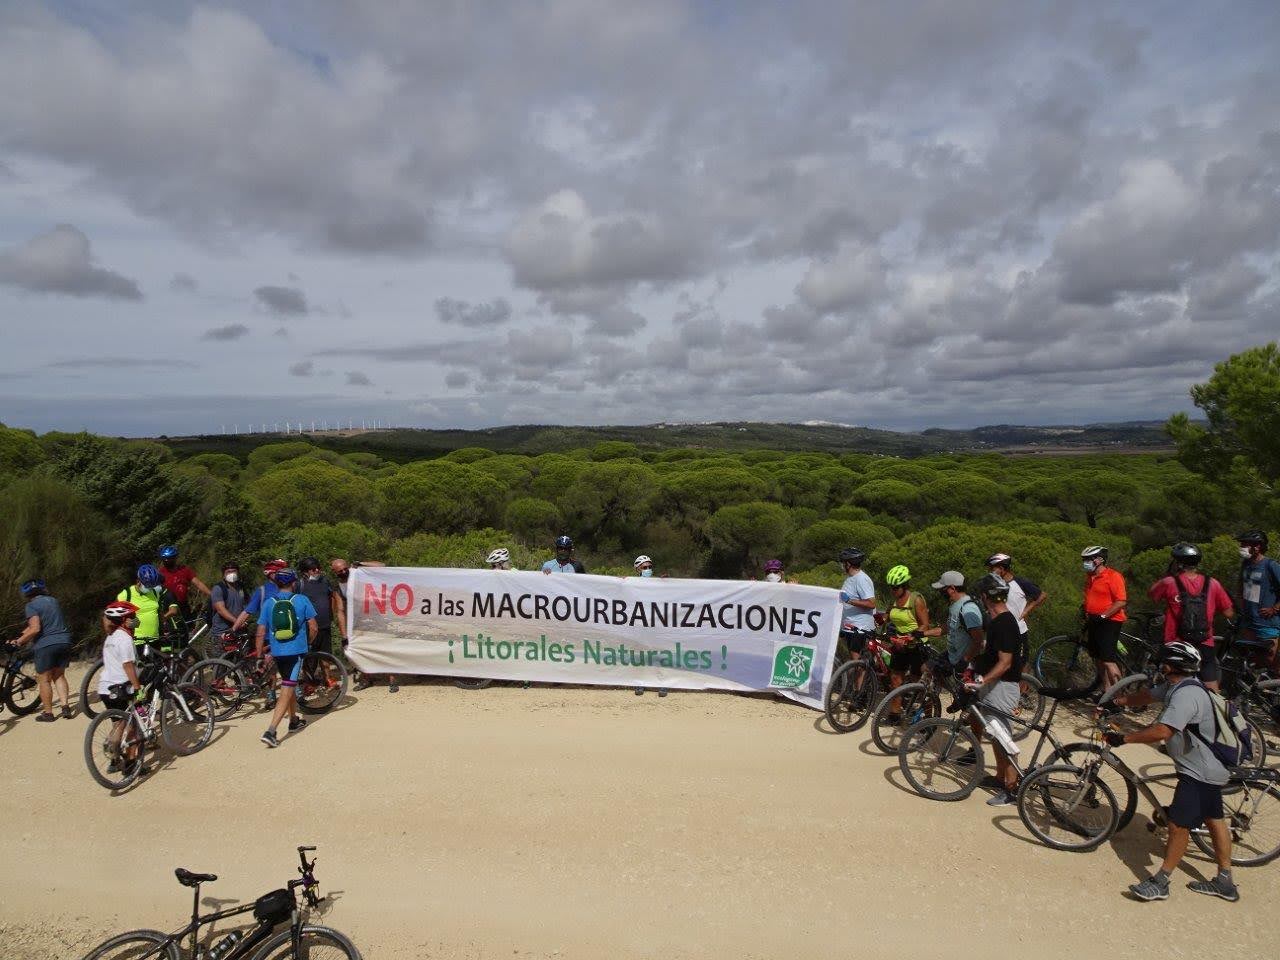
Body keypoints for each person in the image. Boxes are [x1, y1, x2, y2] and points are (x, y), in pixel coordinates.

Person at [1105, 641, 1238, 902]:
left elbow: (1164, 731)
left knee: (1178, 824)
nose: (1159, 665)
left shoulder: (1187, 696)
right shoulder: (1180, 685)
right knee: (1214, 819)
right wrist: (1118, 702)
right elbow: (1148, 695)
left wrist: (1125, 739)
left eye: (1163, 661)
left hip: (1199, 772)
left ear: (1171, 666)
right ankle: (1225, 882)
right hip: (1208, 767)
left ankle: (1161, 881)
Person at [965, 575, 1025, 806]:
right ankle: (1001, 778)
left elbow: (1005, 663)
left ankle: (1012, 788)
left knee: (1002, 738)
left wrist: (982, 680)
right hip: (994, 685)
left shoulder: (1006, 623)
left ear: (986, 597)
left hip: (1002, 686)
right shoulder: (998, 621)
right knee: (994, 733)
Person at [1148, 543, 1234, 691]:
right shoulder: (1213, 583)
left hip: (1176, 641)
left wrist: (1168, 574)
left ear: (1178, 563)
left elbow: (1152, 595)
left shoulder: (1169, 582)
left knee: (1174, 683)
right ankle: (1213, 708)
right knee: (1210, 681)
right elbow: (1228, 613)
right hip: (1205, 640)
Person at [256, 569, 318, 748]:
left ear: (276, 584)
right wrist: (307, 643)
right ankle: (271, 731)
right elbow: (313, 627)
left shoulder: (269, 603)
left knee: (287, 683)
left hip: (277, 652)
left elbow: (260, 631)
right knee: (287, 687)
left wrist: (260, 655)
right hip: (295, 651)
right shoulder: (301, 600)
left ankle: (293, 720)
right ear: (294, 583)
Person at [9, 578, 74, 721]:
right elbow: (41, 623)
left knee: (44, 679)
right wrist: (22, 635)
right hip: (64, 641)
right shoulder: (53, 601)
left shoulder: (31, 606)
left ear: (27, 593)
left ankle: (48, 713)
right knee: (59, 676)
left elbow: (36, 628)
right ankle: (65, 707)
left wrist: (19, 642)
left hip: (46, 644)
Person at [98, 600, 146, 776]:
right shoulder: (124, 639)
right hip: (121, 687)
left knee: (118, 724)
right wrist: (138, 687)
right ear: (124, 619)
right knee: (133, 726)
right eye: (132, 617)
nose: (135, 620)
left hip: (105, 687)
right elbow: (128, 666)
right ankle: (131, 764)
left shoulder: (110, 637)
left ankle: (113, 759)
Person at [882, 564, 932, 718]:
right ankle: (895, 714)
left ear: (904, 586)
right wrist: (878, 621)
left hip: (917, 644)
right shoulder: (895, 600)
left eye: (895, 587)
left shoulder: (916, 600)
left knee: (919, 683)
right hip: (899, 643)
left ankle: (928, 717)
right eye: (891, 587)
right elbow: (887, 616)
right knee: (895, 679)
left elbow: (925, 624)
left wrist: (911, 636)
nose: (893, 590)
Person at [1081, 545, 1127, 694]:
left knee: (1108, 660)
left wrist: (1103, 616)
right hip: (1093, 620)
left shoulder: (1113, 576)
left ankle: (1119, 697)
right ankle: (1107, 693)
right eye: (1084, 559)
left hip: (1110, 621)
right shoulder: (1090, 577)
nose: (1085, 562)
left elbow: (1121, 601)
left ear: (1099, 560)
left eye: (1088, 559)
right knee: (1098, 658)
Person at [1235, 530, 1280, 667]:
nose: (1241, 546)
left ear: (1257, 546)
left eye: (1244, 544)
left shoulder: (1270, 565)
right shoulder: (1245, 564)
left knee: (1271, 660)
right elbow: (1241, 587)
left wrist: (1275, 608)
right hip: (1249, 622)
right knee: (1254, 661)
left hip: (1267, 624)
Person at [117, 564, 183, 652]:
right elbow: (115, 617)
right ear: (138, 580)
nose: (149, 588)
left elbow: (159, 612)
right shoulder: (126, 595)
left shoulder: (155, 593)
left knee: (169, 655)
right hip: (136, 642)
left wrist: (163, 627)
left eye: (152, 585)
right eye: (147, 585)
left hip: (156, 639)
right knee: (139, 665)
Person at [984, 553, 1047, 637]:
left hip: (1018, 632)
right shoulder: (992, 585)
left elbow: (1041, 595)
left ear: (1001, 569)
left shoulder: (1020, 583)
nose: (990, 573)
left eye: (992, 570)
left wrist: (1026, 611)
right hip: (997, 632)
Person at [933, 571, 984, 672]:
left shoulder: (968, 610)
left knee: (960, 687)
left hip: (965, 663)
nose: (940, 593)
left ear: (952, 589)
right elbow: (948, 627)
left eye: (942, 590)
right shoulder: (955, 605)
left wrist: (965, 661)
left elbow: (978, 640)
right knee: (929, 668)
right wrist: (922, 633)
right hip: (954, 657)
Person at [632, 555, 667, 697]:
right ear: (637, 569)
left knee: (658, 654)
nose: (648, 570)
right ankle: (640, 683)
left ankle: (662, 684)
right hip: (639, 625)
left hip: (655, 625)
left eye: (650, 567)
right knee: (640, 655)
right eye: (644, 567)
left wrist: (667, 583)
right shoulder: (631, 583)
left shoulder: (658, 583)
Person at [834, 548, 876, 662]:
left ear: (848, 564)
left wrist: (849, 601)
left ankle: (860, 680)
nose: (842, 566)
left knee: (857, 662)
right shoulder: (850, 578)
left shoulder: (862, 579)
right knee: (851, 660)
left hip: (860, 627)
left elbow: (871, 603)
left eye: (843, 563)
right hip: (849, 626)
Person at [231, 558, 287, 634]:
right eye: (278, 572)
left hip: (287, 632)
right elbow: (247, 612)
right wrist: (233, 629)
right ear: (270, 573)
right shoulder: (262, 590)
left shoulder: (288, 587)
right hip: (267, 635)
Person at [297, 557, 336, 656]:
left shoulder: (325, 582)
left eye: (318, 567)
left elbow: (332, 597)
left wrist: (331, 614)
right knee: (309, 659)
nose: (317, 570)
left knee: (326, 659)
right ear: (305, 572)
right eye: (313, 569)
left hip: (325, 626)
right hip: (309, 628)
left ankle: (326, 672)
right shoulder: (299, 585)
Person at [208, 562, 249, 652]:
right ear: (223, 575)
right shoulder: (218, 588)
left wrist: (245, 620)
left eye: (234, 571)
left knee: (241, 658)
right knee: (222, 660)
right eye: (228, 572)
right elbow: (221, 610)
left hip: (240, 631)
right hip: (222, 631)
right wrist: (238, 622)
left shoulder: (241, 587)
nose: (232, 574)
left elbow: (247, 605)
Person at [157, 545, 210, 612]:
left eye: (169, 558)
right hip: (169, 607)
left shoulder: (184, 570)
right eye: (164, 559)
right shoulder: (160, 573)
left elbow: (198, 583)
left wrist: (211, 594)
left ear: (175, 558)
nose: (166, 561)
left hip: (183, 605)